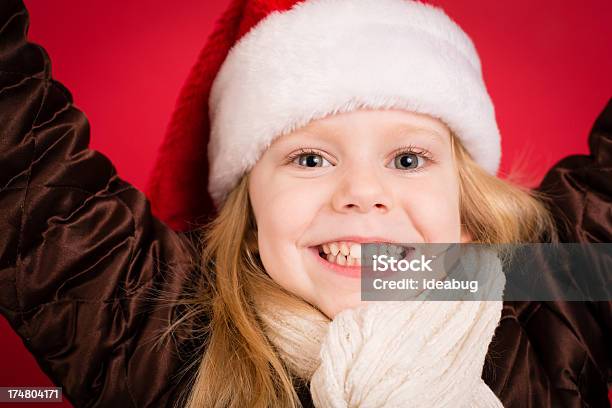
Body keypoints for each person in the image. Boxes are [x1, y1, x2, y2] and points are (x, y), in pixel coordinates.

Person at [0, 0, 610, 407]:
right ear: (249, 208)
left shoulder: (550, 301)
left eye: (407, 159)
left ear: (465, 202)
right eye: (310, 160)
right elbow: (23, 163)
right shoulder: (162, 334)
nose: (362, 194)